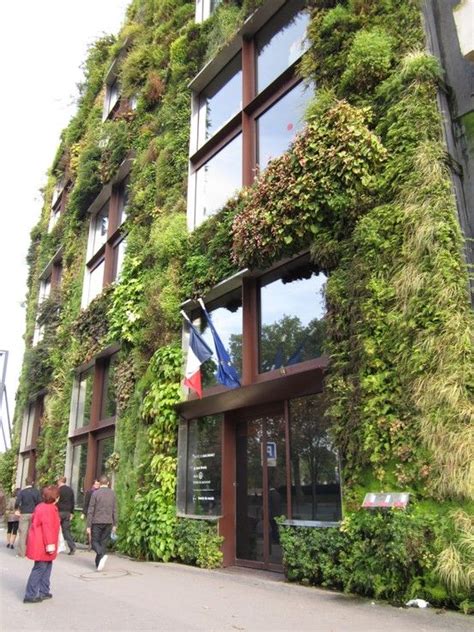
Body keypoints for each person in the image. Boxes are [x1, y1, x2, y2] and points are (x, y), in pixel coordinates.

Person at [23, 485, 61, 604]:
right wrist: (50, 545)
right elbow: (48, 529)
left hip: (38, 542)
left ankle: (44, 590)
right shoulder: (49, 509)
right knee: (40, 568)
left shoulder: (41, 507)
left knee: (46, 566)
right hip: (43, 544)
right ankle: (30, 594)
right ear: (55, 497)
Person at [86, 475, 117, 571]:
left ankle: (100, 554)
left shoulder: (95, 494)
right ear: (108, 483)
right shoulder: (113, 494)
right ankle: (98, 563)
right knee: (103, 543)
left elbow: (90, 510)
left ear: (99, 483)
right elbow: (115, 510)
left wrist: (88, 525)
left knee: (94, 541)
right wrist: (115, 524)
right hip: (108, 522)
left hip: (97, 521)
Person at [15, 478, 41, 557]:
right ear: (32, 483)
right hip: (33, 513)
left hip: (24, 513)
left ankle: (21, 553)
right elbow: (39, 502)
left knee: (23, 533)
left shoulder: (22, 492)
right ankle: (30, 552)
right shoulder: (36, 492)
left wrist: (17, 509)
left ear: (25, 483)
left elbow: (17, 502)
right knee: (31, 533)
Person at [57, 476, 76, 555]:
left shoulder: (58, 490)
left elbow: (56, 500)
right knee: (66, 530)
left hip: (59, 512)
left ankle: (55, 546)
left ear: (59, 481)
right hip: (67, 512)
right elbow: (72, 502)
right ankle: (72, 547)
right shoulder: (70, 490)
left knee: (56, 529)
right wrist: (72, 512)